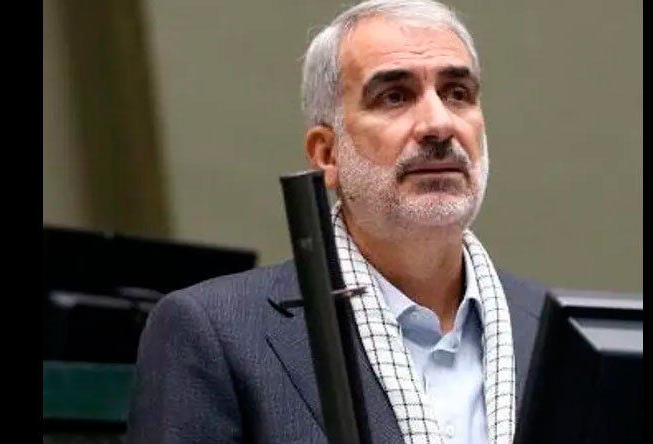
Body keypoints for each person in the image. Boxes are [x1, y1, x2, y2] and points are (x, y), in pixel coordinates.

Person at [128, 1, 547, 443]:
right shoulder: (214, 333)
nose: (439, 124)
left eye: (457, 93)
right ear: (328, 154)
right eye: (395, 96)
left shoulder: (558, 329)